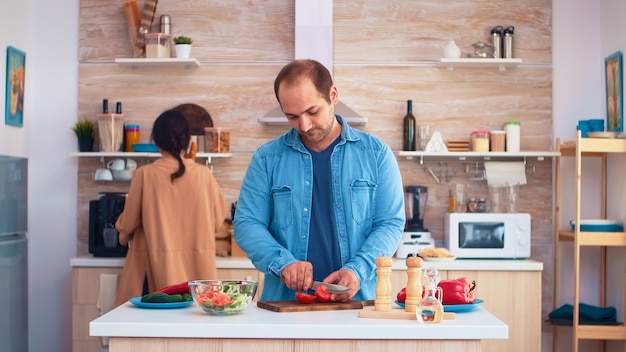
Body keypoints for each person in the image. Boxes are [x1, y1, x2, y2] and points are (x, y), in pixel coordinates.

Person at [233, 59, 405, 302]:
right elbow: (247, 223)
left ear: (333, 95)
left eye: (312, 112)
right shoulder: (267, 158)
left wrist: (357, 270)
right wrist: (283, 263)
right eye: (292, 116)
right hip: (285, 306)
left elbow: (390, 223)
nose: (304, 125)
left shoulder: (376, 154)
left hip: (359, 304)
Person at [114, 110, 227, 307]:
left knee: (153, 332)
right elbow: (218, 222)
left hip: (157, 277)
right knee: (193, 330)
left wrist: (122, 232)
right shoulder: (204, 175)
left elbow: (128, 223)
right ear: (186, 140)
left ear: (156, 140)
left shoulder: (144, 175)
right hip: (198, 278)